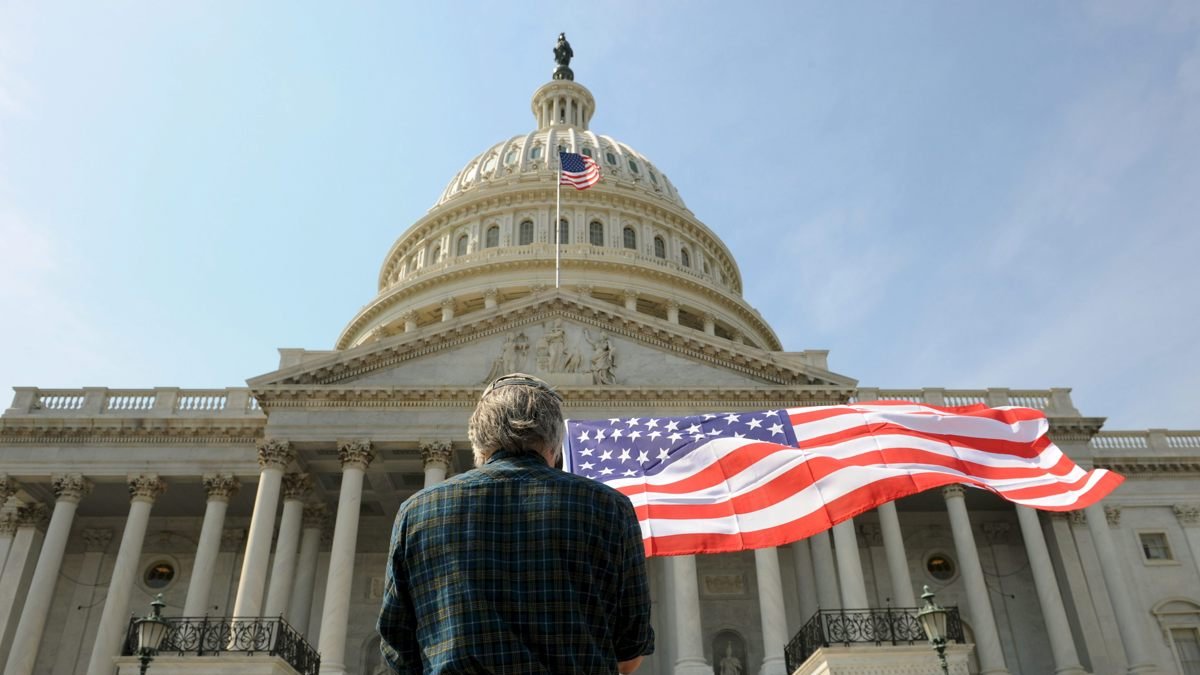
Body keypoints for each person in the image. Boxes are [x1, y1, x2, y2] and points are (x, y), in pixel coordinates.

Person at [378, 373, 655, 674]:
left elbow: (398, 646)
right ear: (554, 445)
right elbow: (630, 648)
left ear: (479, 445)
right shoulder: (610, 507)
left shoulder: (417, 512)